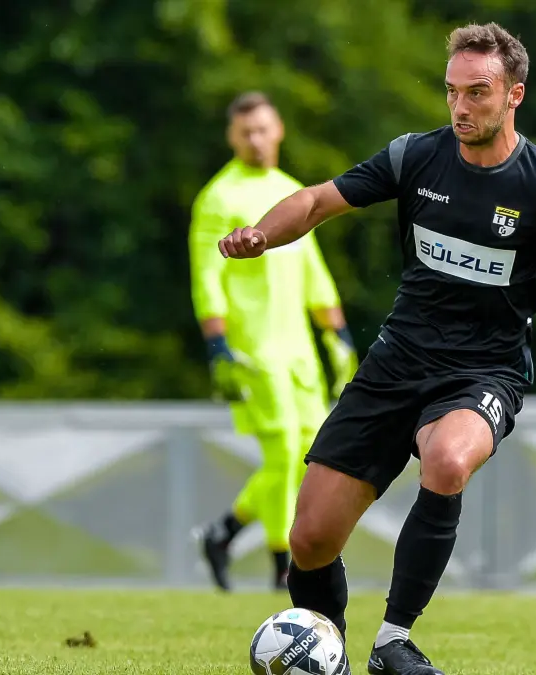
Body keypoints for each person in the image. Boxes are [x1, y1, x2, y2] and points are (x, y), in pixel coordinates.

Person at [217, 22, 536, 675]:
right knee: (311, 536)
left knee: (446, 460)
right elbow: (318, 201)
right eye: (451, 93)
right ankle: (330, 657)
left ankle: (392, 641)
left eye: (478, 93)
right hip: (398, 360)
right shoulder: (415, 158)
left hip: (483, 372)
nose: (462, 108)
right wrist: (262, 236)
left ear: (514, 94)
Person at [189, 91, 360, 593]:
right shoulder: (218, 198)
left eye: (263, 129)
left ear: (279, 129)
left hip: (299, 351)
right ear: (232, 137)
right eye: (246, 132)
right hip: (253, 347)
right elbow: (207, 276)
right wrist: (218, 344)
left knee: (307, 453)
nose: (256, 139)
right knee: (284, 448)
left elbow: (314, 273)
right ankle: (284, 564)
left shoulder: (290, 191)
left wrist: (337, 335)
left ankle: (225, 533)